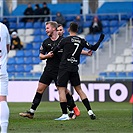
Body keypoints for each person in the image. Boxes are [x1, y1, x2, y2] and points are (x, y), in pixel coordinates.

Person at [19, 21, 80, 119]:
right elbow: (41, 56)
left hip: (60, 71)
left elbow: (75, 50)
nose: (46, 30)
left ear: (53, 29)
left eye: (47, 28)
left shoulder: (64, 41)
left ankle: (72, 110)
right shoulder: (46, 42)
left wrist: (85, 53)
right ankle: (31, 112)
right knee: (40, 89)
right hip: (48, 70)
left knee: (63, 91)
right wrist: (47, 55)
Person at [52, 22, 104, 120]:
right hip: (74, 68)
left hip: (64, 68)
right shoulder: (81, 41)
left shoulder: (65, 40)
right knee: (79, 90)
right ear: (77, 30)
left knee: (61, 90)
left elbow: (55, 50)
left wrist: (51, 53)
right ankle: (90, 111)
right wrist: (100, 39)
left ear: (68, 29)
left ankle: (64, 115)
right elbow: (94, 48)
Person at [0, 22, 10, 133]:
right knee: (2, 100)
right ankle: (3, 130)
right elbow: (7, 49)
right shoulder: (3, 27)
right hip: (1, 69)